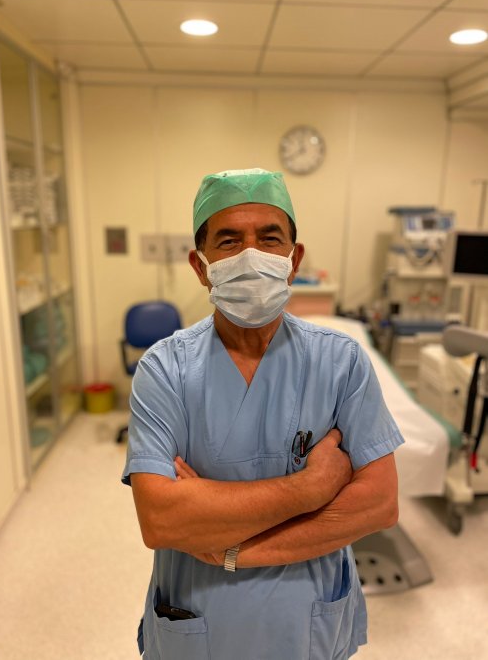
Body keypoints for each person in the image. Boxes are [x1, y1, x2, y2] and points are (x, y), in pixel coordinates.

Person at [122, 168, 404, 660]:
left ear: (294, 260)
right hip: (200, 617)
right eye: (229, 241)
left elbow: (378, 504)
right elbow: (161, 519)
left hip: (308, 619)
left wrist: (234, 552)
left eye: (269, 239)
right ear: (200, 265)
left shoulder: (340, 361)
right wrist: (311, 489)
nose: (251, 256)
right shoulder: (164, 369)